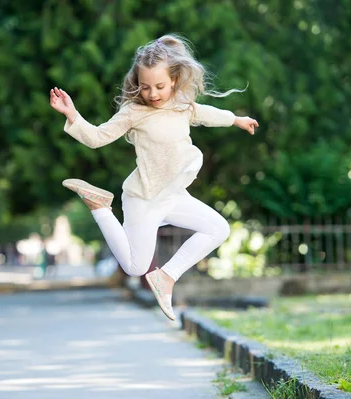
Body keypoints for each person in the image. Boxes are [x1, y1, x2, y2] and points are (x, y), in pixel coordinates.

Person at [49, 34, 258, 321]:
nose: (153, 93)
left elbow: (207, 114)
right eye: (145, 87)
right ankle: (100, 208)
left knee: (218, 228)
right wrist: (72, 115)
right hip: (144, 198)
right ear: (137, 83)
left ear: (174, 80)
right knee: (136, 267)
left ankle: (167, 278)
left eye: (160, 86)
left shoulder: (183, 106)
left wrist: (236, 119)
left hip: (171, 196)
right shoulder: (134, 112)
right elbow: (97, 137)